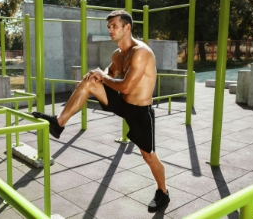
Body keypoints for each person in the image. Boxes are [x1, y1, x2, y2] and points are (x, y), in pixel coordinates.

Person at [31, 10, 170, 212]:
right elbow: (108, 75)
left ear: (127, 27)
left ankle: (163, 192)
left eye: (114, 26)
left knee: (148, 155)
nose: (110, 30)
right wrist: (96, 76)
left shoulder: (141, 53)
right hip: (122, 103)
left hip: (140, 111)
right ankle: (58, 122)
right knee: (89, 82)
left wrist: (102, 77)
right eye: (109, 27)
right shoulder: (118, 54)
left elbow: (126, 87)